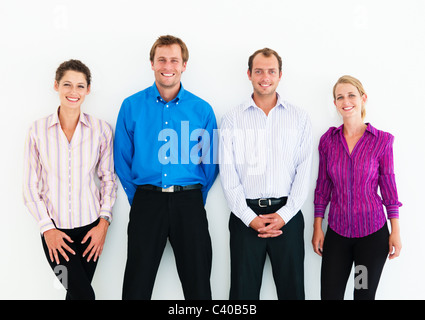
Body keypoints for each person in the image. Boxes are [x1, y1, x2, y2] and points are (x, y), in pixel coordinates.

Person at [114, 35, 218, 300]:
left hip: (189, 203)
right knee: (137, 286)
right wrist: (138, 197)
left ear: (184, 65)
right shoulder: (131, 106)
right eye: (161, 59)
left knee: (198, 286)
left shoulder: (202, 109)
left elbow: (211, 161)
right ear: (152, 63)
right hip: (146, 203)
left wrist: (194, 196)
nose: (167, 65)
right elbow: (122, 158)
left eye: (174, 59)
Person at [219, 48, 312, 300]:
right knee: (242, 295)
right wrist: (250, 217)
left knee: (292, 292)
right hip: (245, 218)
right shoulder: (231, 119)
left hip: (288, 218)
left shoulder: (299, 118)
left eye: (271, 71)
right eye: (259, 71)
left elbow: (303, 172)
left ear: (280, 75)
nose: (265, 77)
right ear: (249, 74)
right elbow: (228, 175)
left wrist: (283, 215)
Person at [23, 59, 117, 300]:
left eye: (80, 86)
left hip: (90, 233)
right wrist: (47, 229)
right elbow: (30, 186)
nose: (73, 92)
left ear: (87, 90)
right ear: (56, 86)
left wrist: (103, 225)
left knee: (76, 295)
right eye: (67, 84)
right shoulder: (37, 131)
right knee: (82, 295)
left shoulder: (101, 130)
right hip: (55, 234)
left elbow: (108, 180)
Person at [312, 75, 402, 300]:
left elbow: (388, 187)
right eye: (340, 97)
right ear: (335, 104)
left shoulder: (381, 141)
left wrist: (396, 231)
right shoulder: (328, 141)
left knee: (361, 294)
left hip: (370, 238)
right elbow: (322, 187)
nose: (346, 101)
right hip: (337, 237)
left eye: (351, 95)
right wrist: (317, 227)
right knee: (330, 295)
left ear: (363, 98)